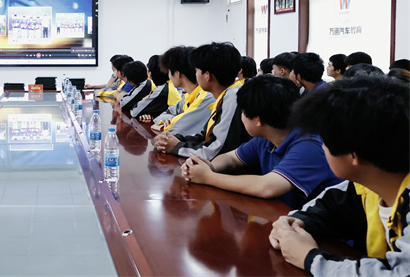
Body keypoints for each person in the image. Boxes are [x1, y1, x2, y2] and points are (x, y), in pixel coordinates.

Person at [269, 76, 410, 275]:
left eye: (325, 141)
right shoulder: (367, 187)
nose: (322, 147)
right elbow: (328, 208)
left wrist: (310, 258)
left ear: (353, 155)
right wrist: (293, 223)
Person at [181, 75, 342, 209]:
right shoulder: (266, 138)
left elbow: (267, 187)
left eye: (243, 112)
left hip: (323, 234)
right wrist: (209, 167)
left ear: (258, 120)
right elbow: (231, 158)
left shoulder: (310, 144)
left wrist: (208, 177)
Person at [155, 42, 251, 160]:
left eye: (196, 71)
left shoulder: (233, 97)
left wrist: (178, 147)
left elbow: (218, 149)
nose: (195, 75)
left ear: (207, 75)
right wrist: (178, 139)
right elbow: (206, 136)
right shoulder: (224, 96)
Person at [148, 46, 215, 137]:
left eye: (169, 71)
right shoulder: (188, 96)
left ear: (177, 73)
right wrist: (169, 119)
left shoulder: (206, 97)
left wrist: (162, 126)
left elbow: (177, 130)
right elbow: (164, 114)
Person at [131, 54, 182, 119]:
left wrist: (144, 100)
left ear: (150, 73)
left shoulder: (162, 90)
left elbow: (135, 111)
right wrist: (150, 113)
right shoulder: (167, 85)